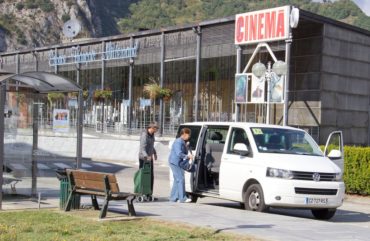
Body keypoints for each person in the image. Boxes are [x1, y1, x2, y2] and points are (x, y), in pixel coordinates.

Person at [168, 128, 193, 203]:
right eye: (188, 135)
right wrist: (187, 157)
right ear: (184, 134)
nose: (189, 136)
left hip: (178, 162)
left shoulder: (182, 142)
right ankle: (182, 198)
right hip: (175, 162)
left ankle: (173, 197)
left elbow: (184, 151)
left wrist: (186, 146)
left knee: (177, 180)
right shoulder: (178, 142)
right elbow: (179, 153)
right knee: (180, 179)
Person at [138, 121, 158, 197]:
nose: (156, 130)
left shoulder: (152, 135)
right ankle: (142, 192)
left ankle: (149, 193)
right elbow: (142, 148)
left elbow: (151, 145)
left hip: (150, 158)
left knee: (151, 176)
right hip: (143, 158)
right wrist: (147, 156)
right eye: (156, 128)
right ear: (152, 128)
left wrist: (155, 153)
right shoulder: (144, 135)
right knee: (143, 176)